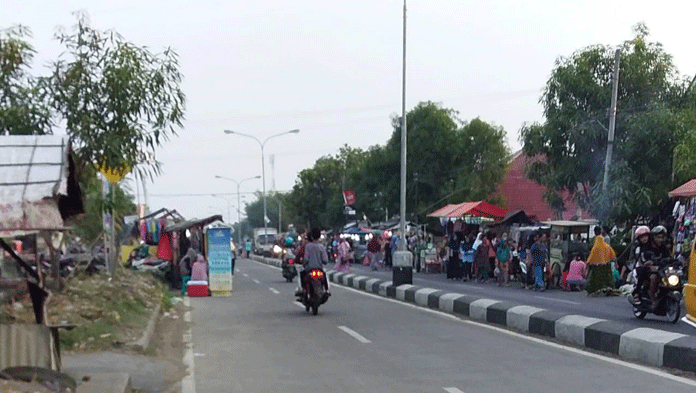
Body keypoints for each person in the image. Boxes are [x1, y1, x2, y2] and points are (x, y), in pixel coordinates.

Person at [296, 228, 330, 297]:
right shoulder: (321, 247)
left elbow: (306, 258)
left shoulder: (308, 246)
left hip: (309, 269)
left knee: (301, 273)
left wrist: (303, 263)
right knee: (325, 275)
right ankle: (327, 290)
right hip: (319, 269)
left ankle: (302, 289)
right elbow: (325, 260)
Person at [645, 225, 672, 310]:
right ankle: (652, 297)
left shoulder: (664, 248)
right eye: (658, 237)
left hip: (662, 270)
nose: (660, 239)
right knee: (654, 277)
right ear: (653, 237)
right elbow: (645, 259)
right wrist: (650, 263)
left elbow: (670, 258)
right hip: (649, 271)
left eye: (662, 237)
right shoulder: (648, 247)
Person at [630, 226, 653, 304]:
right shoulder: (639, 249)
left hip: (653, 268)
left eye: (646, 236)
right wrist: (646, 263)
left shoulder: (653, 246)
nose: (644, 238)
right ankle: (636, 294)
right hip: (640, 268)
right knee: (642, 275)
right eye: (642, 237)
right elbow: (640, 260)